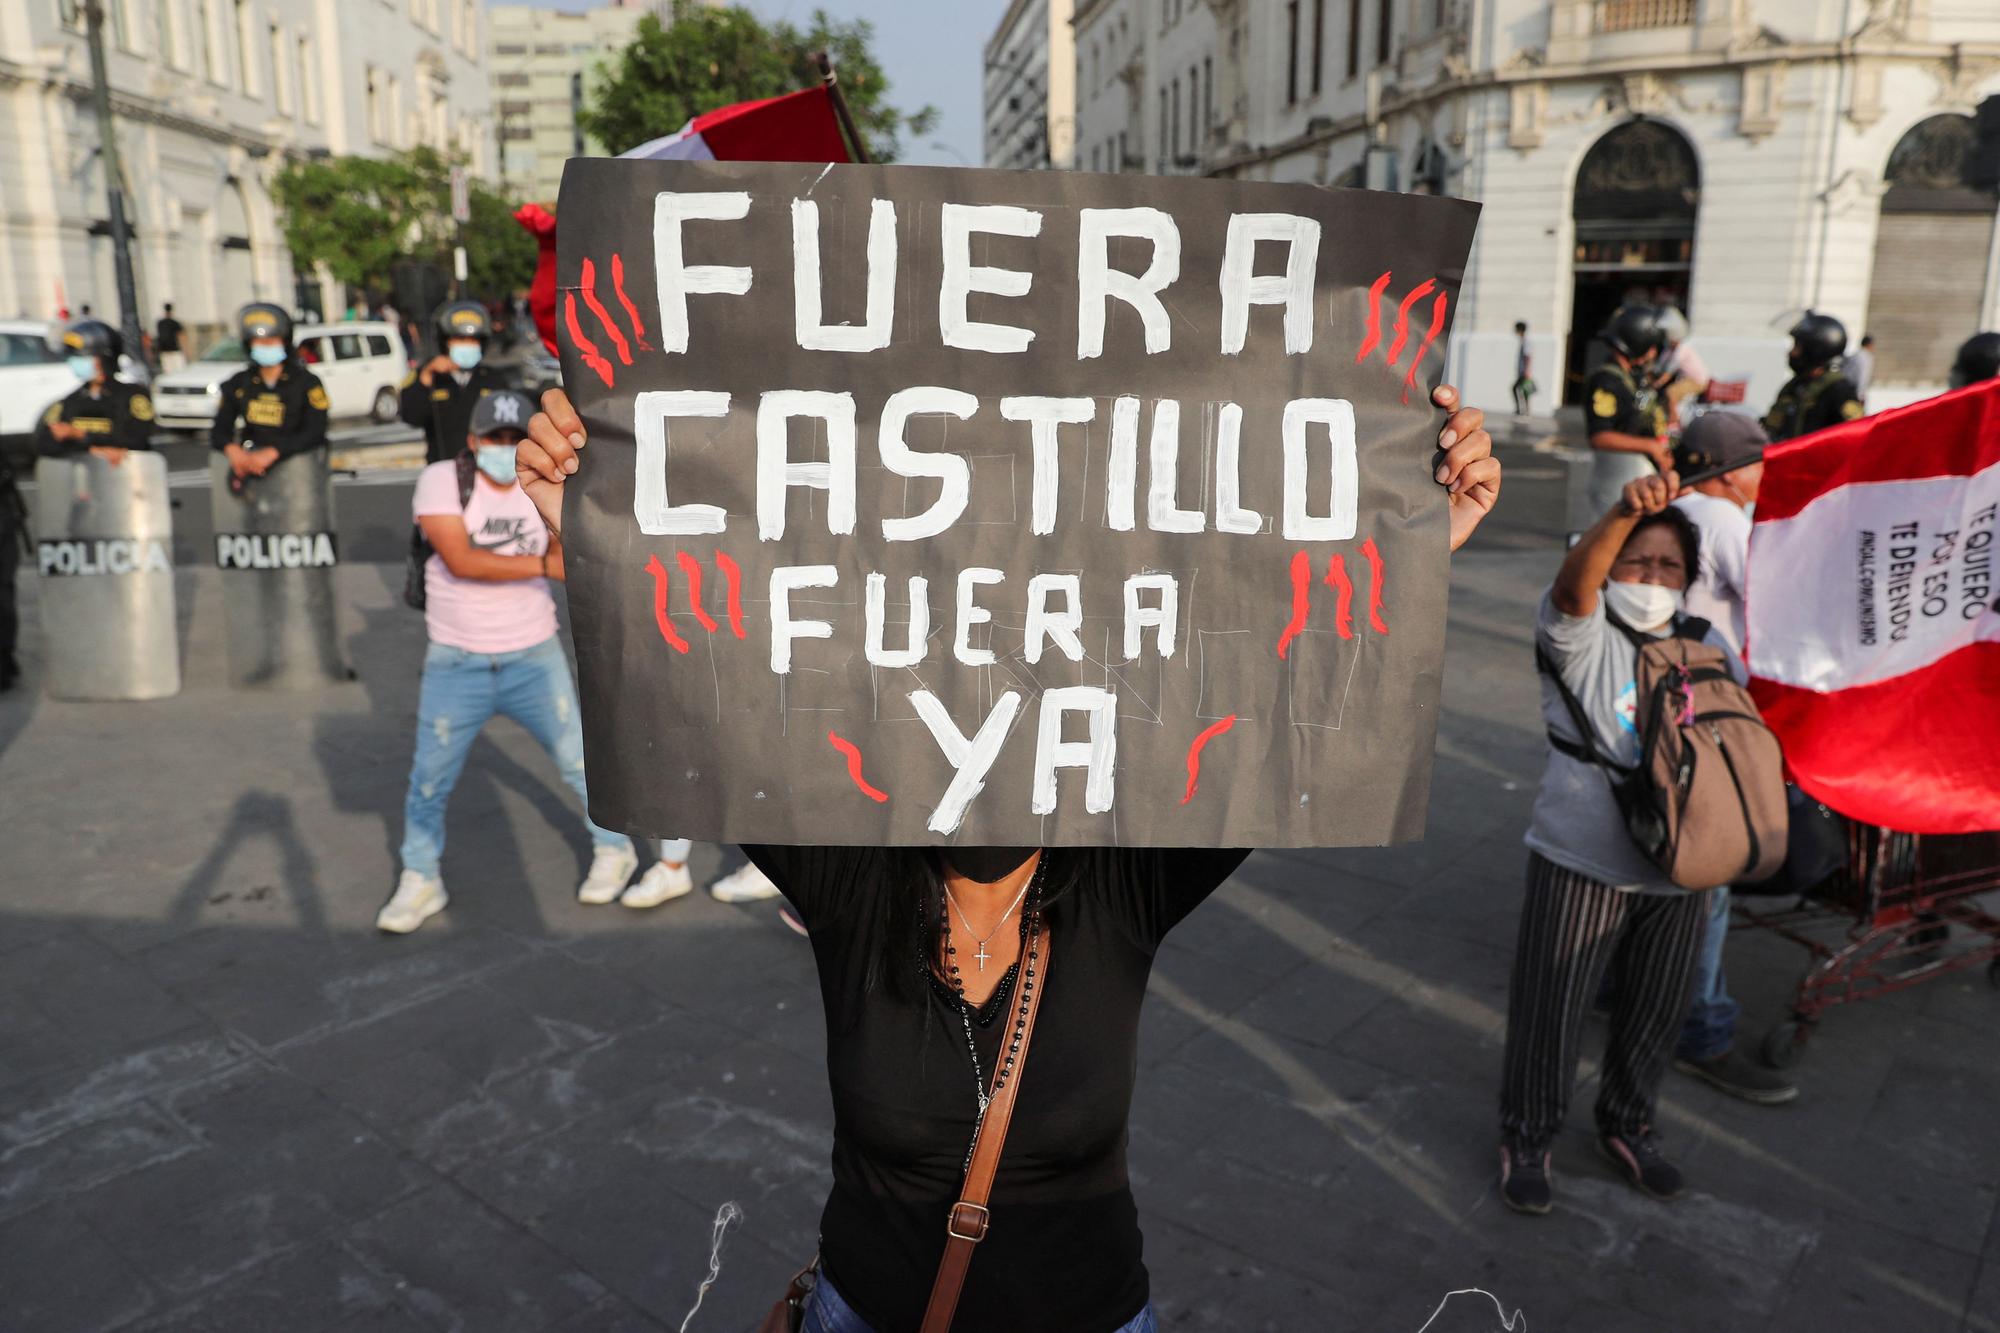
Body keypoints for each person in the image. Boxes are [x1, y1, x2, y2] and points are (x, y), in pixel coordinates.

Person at [512, 382, 1502, 1332]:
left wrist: (1413, 550)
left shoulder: (1121, 884)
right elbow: (682, 699)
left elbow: (1293, 715)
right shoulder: (854, 883)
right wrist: (587, 525)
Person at [1498, 468, 1741, 1217]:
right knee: (1553, 1004)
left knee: (1656, 1008)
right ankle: (1528, 1134)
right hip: (1582, 858)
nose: (1653, 576)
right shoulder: (1578, 630)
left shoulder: (1704, 645)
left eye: (1670, 566)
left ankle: (1629, 1123)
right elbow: (1576, 586)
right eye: (1639, 562)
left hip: (1681, 868)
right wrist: (1618, 515)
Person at [376, 388, 642, 934]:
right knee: (429, 779)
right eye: (492, 437)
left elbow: (576, 560)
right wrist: (537, 562)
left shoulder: (541, 484)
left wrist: (528, 559)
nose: (502, 447)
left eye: (512, 436)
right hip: (457, 661)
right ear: (473, 441)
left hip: (532, 656)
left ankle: (616, 850)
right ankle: (420, 875)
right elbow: (460, 558)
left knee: (578, 764)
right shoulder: (441, 480)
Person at [1664, 414, 1796, 1106]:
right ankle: (1703, 1031)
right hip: (1705, 721)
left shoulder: (1669, 507)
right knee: (1711, 878)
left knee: (1660, 857)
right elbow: (1776, 604)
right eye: (1758, 463)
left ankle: (1623, 986)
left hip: (1661, 709)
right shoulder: (1718, 516)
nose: (1763, 475)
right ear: (1728, 469)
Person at [209, 303, 329, 495]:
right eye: (259, 342)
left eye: (271, 341)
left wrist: (273, 453)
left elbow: (315, 429)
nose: (265, 347)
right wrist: (233, 451)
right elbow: (220, 429)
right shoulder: (239, 383)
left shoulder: (307, 382)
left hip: (299, 475)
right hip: (253, 474)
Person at [1582, 304, 1671, 513]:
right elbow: (1600, 436)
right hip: (1619, 485)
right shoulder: (1607, 381)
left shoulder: (1632, 378)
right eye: (1651, 347)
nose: (1653, 354)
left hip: (1640, 481)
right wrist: (1650, 446)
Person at [35, 319, 156, 466]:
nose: (75, 363)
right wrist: (91, 449)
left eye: (82, 358)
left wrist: (80, 435)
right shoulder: (71, 400)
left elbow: (136, 438)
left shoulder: (133, 396)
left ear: (103, 358)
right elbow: (45, 443)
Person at [401, 300, 506, 465]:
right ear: (446, 342)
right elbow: (411, 416)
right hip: (443, 468)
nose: (467, 345)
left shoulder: (493, 379)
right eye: (460, 339)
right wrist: (426, 378)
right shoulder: (430, 376)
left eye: (472, 340)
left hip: (483, 468)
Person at [1762, 311, 1863, 441]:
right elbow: (1772, 427)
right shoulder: (1794, 386)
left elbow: (1854, 435)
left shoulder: (1839, 390)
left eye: (1797, 347)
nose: (1791, 353)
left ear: (1815, 350)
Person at [1651, 307, 1709, 422]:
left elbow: (1669, 370)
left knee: (1671, 393)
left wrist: (1657, 383)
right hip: (1686, 379)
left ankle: (1674, 423)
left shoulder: (1682, 349)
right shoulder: (1670, 349)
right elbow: (1660, 365)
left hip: (1697, 381)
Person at [155, 303, 187, 373]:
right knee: (179, 370)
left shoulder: (160, 323)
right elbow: (181, 337)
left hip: (164, 350)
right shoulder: (175, 323)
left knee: (168, 370)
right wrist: (185, 351)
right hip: (174, 349)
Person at [1512, 321, 1534, 417]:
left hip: (1524, 372)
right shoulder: (1523, 340)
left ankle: (1523, 410)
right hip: (1522, 371)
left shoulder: (1526, 341)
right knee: (1523, 390)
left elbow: (1528, 356)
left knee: (1519, 389)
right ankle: (1524, 410)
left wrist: (1527, 370)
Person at [1846, 332, 1875, 399]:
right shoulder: (1863, 357)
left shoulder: (1857, 355)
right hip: (1854, 391)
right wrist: (1860, 394)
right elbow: (1862, 375)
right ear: (1869, 345)